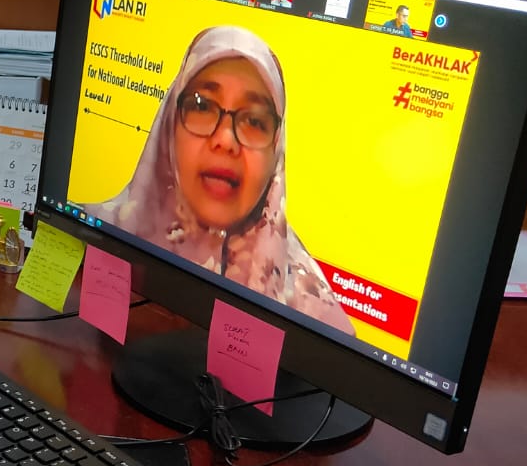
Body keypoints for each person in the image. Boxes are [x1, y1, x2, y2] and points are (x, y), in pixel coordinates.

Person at [83, 26, 356, 334]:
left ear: (276, 149)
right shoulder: (84, 239)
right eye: (201, 106)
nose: (226, 140)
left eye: (255, 121)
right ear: (170, 122)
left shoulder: (317, 319)